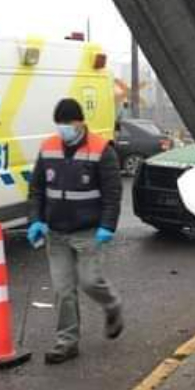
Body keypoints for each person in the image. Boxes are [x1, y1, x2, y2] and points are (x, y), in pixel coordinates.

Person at [27, 98, 124, 364]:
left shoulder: (101, 149)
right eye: (59, 124)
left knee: (90, 281)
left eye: (67, 124)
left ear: (80, 122)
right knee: (63, 289)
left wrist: (107, 226)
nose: (62, 129)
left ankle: (112, 304)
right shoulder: (48, 148)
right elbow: (36, 189)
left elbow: (112, 193)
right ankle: (66, 342)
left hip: (88, 231)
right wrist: (35, 219)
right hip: (55, 233)